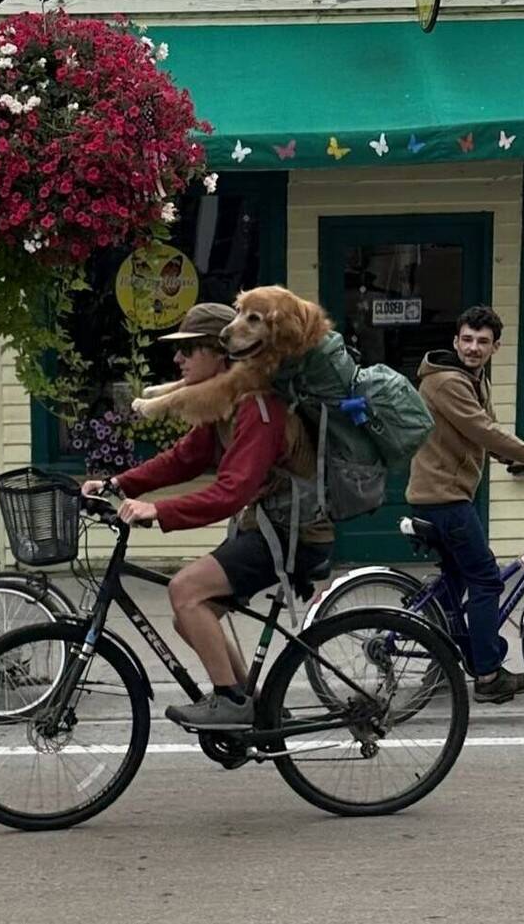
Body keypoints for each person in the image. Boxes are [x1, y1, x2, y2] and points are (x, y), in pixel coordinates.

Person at [81, 302, 334, 730]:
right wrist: (118, 483)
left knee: (185, 589)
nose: (178, 359)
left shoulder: (259, 408)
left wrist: (159, 510)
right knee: (190, 616)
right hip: (266, 528)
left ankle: (231, 701)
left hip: (296, 536)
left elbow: (231, 492)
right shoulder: (226, 403)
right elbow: (185, 458)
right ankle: (255, 707)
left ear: (221, 354)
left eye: (189, 349)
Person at [406, 304, 524, 704]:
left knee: (456, 581)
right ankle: (487, 674)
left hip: (444, 494)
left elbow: (485, 436)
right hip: (443, 497)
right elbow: (485, 431)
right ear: (455, 341)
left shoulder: (473, 378)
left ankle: (441, 656)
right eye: (467, 339)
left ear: (495, 347)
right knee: (486, 578)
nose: (473, 347)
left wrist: (514, 459)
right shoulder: (447, 382)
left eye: (482, 341)